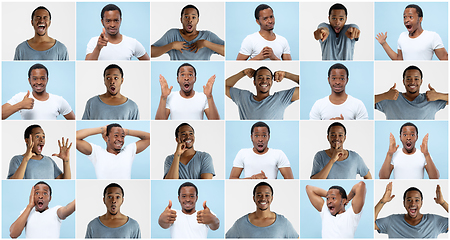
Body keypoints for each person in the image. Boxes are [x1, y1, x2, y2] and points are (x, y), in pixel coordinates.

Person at [2, 63, 75, 120]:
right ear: (29, 80)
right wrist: (21, 105)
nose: (39, 82)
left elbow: (74, 121)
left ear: (47, 79)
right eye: (35, 79)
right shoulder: (21, 97)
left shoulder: (59, 100)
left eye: (42, 78)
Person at [76, 123, 150, 179]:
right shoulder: (97, 152)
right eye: (116, 135)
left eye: (122, 136)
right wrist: (102, 129)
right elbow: (75, 137)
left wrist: (127, 131)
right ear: (106, 138)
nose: (120, 139)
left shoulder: (129, 151)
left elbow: (149, 138)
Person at [226, 182, 298, 238]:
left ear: (272, 198)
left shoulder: (283, 223)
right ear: (254, 198)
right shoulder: (241, 223)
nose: (263, 199)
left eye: (267, 195)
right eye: (259, 195)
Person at [151, 4, 224, 60]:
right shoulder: (172, 35)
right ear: (181, 19)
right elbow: (150, 52)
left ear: (197, 20)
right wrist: (171, 46)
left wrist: (206, 43)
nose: (190, 20)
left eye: (193, 17)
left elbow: (227, 51)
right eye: (186, 17)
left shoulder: (208, 36)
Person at [375, 182, 448, 238]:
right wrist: (383, 201)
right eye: (409, 200)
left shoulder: (433, 221)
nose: (413, 203)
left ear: (421, 203)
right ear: (404, 203)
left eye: (417, 200)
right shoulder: (392, 221)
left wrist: (443, 203)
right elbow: (371, 224)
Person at [376, 4, 448, 60]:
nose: (406, 20)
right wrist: (383, 43)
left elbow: (445, 59)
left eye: (410, 17)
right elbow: (399, 60)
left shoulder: (432, 36)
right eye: (404, 17)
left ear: (420, 19)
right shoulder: (402, 36)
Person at [375, 65, 447, 120]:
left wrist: (438, 95)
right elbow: (366, 102)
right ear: (403, 81)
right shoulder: (390, 99)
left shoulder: (431, 99)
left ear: (421, 81)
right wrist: (385, 95)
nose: (412, 82)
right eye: (408, 79)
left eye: (416, 79)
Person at [226, 66, 299, 120]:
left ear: (271, 82)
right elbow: (223, 86)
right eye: (260, 78)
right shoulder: (243, 97)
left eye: (268, 78)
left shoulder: (281, 99)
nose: (264, 81)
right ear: (254, 82)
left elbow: (306, 87)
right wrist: (243, 73)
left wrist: (285, 74)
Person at [9, 181, 75, 238]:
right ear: (32, 196)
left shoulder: (55, 212)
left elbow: (67, 208)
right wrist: (29, 206)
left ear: (50, 198)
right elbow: (13, 234)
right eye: (37, 193)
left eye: (45, 193)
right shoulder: (27, 212)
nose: (40, 196)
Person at [229, 122, 294, 179]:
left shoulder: (278, 154)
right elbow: (232, 179)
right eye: (256, 135)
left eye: (264, 136)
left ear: (268, 137)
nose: (260, 139)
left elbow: (290, 181)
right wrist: (252, 179)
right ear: (251, 137)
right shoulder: (242, 153)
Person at [155, 63, 220, 120]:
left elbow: (216, 122)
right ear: (177, 79)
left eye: (190, 75)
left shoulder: (203, 97)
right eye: (182, 75)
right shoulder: (170, 96)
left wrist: (209, 97)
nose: (186, 78)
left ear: (195, 79)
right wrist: (163, 97)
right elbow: (159, 122)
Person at [85, 4, 150, 60]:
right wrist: (98, 48)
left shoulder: (132, 43)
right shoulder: (94, 42)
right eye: (108, 21)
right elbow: (86, 66)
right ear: (102, 22)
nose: (112, 25)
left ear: (120, 20)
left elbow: (148, 64)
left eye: (116, 20)